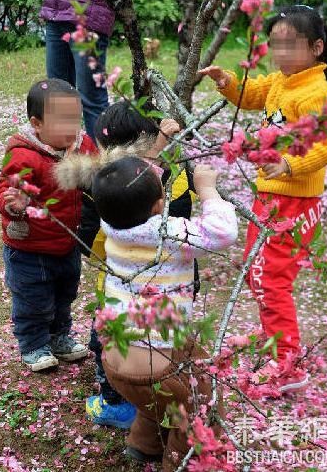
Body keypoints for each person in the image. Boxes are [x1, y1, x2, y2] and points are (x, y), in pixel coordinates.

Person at [199, 5, 327, 392]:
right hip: (271, 196)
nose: (279, 53)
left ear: (315, 47)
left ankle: (289, 366)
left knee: (270, 278)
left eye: (289, 45)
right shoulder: (283, 80)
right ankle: (276, 336)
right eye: (274, 44)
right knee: (257, 271)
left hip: (292, 202)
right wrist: (227, 81)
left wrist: (291, 165)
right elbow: (254, 93)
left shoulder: (316, 92)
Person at [54, 102, 198, 429]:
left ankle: (117, 403)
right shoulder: (177, 173)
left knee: (107, 339)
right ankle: (160, 393)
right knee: (165, 341)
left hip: (121, 285)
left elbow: (90, 241)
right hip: (176, 284)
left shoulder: (105, 187)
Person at [91, 156, 238, 470]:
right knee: (200, 405)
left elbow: (131, 188)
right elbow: (223, 233)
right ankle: (184, 463)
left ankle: (144, 445)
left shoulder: (112, 224)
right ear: (159, 205)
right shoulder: (168, 233)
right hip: (157, 362)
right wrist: (208, 190)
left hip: (116, 356)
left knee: (156, 399)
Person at [0, 79, 97, 371]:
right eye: (62, 121)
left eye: (75, 120)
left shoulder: (81, 146)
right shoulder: (24, 155)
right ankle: (33, 344)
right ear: (36, 124)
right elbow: (5, 191)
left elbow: (96, 173)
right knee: (33, 298)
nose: (71, 128)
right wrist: (14, 204)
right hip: (30, 247)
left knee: (65, 293)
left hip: (66, 242)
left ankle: (59, 336)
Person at [27, 0, 134, 141]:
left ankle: (101, 159)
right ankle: (65, 155)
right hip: (58, 13)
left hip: (90, 18)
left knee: (91, 98)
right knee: (58, 94)